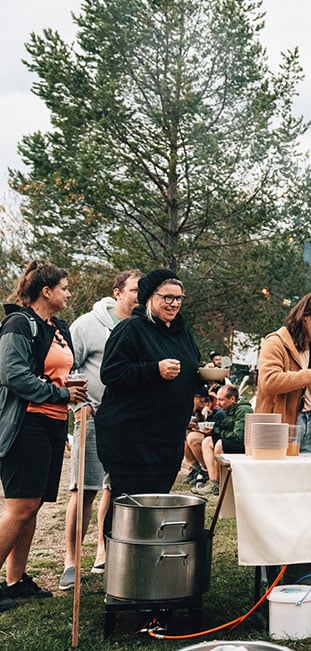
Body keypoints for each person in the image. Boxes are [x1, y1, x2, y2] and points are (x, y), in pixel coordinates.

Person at [0, 261, 87, 610]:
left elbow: (59, 372)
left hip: (52, 425)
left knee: (32, 507)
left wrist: (73, 395)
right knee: (19, 507)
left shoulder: (58, 327)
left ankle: (15, 581)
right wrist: (62, 395)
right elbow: (14, 375)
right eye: (64, 287)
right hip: (26, 425)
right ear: (46, 291)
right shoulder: (19, 324)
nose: (68, 293)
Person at [95, 269, 202, 537]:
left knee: (156, 504)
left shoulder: (181, 333)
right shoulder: (131, 329)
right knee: (128, 505)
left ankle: (145, 567)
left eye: (179, 298)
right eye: (167, 297)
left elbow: (187, 370)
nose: (174, 303)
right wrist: (154, 370)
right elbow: (111, 373)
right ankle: (120, 568)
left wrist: (203, 383)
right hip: (132, 438)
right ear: (148, 298)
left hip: (167, 437)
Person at [58, 268, 140, 591]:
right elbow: (67, 366)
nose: (139, 295)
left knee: (115, 489)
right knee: (85, 490)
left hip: (128, 423)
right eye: (134, 289)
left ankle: (103, 552)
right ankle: (71, 561)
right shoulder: (87, 325)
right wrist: (78, 406)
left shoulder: (140, 328)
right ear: (118, 292)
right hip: (92, 418)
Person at [254, 286, 311, 453]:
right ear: (305, 316)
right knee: (277, 477)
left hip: (308, 427)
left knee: (306, 477)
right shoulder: (276, 343)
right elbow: (269, 383)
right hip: (276, 428)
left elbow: (308, 395)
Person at [193, 384, 251, 496]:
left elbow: (238, 436)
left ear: (232, 399)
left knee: (219, 443)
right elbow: (222, 428)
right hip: (233, 441)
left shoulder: (243, 410)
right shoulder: (228, 408)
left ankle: (220, 483)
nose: (218, 403)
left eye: (221, 400)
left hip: (244, 446)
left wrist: (217, 431)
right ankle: (213, 482)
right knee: (207, 441)